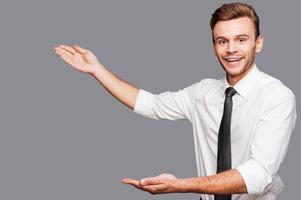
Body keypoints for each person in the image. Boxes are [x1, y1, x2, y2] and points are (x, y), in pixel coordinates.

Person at [54, 2, 296, 200]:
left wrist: (182, 185)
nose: (231, 49)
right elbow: (151, 104)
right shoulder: (202, 92)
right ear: (214, 47)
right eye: (222, 41)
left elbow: (258, 174)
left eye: (241, 39)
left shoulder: (277, 97)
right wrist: (98, 70)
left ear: (259, 43)